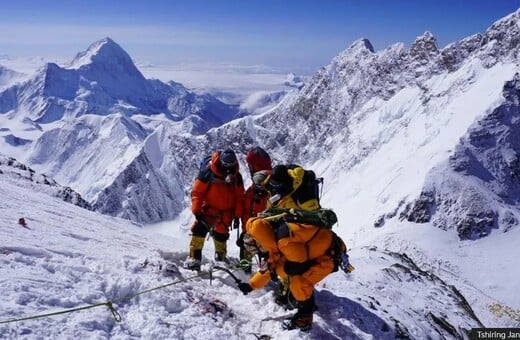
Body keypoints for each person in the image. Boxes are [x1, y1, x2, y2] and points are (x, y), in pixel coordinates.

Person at [238, 215, 342, 331]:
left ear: (260, 244)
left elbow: (297, 267)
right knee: (296, 280)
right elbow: (272, 267)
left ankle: (304, 319)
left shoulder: (284, 242)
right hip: (314, 255)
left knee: (299, 282)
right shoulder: (272, 238)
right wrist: (251, 285)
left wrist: (275, 271)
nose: (257, 254)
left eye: (255, 250)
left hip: (328, 257)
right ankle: (306, 307)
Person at [183, 149, 245, 271]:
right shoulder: (208, 172)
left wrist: (238, 215)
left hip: (225, 212)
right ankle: (194, 258)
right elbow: (197, 193)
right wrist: (197, 210)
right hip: (209, 210)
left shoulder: (236, 176)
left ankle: (220, 258)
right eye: (226, 165)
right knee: (199, 230)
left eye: (230, 165)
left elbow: (239, 197)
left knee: (221, 235)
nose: (228, 168)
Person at [238, 147, 272, 273]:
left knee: (246, 248)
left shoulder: (261, 188)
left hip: (265, 233)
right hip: (266, 233)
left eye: (250, 165)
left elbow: (247, 211)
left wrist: (246, 231)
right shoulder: (275, 183)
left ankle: (245, 272)